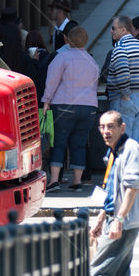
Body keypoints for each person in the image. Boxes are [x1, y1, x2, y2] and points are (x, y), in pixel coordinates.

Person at [90, 111, 139, 276]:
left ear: (122, 127)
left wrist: (119, 219)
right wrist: (101, 218)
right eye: (102, 127)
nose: (106, 131)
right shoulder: (115, 150)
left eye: (110, 127)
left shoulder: (130, 148)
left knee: (98, 274)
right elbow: (110, 190)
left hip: (124, 221)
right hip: (116, 218)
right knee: (119, 274)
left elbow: (133, 187)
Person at [42, 26, 99, 192]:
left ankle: (54, 180)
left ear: (68, 40)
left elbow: (52, 81)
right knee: (79, 144)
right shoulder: (91, 60)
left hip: (64, 105)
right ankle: (77, 181)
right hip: (89, 107)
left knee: (58, 143)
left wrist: (46, 101)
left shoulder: (62, 57)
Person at [106, 16, 139, 147]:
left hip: (123, 100)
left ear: (123, 29)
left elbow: (124, 74)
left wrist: (125, 95)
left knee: (121, 143)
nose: (111, 31)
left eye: (113, 28)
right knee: (137, 141)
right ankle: (136, 167)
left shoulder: (120, 48)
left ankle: (124, 168)